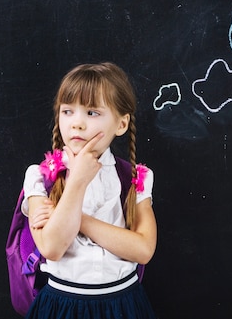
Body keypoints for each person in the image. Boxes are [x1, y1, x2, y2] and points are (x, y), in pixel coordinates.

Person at [21, 62, 157, 319]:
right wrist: (78, 180)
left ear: (121, 124)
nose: (77, 124)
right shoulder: (38, 177)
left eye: (92, 113)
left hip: (123, 304)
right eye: (68, 111)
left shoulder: (135, 177)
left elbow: (143, 250)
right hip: (63, 306)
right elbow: (52, 246)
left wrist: (77, 220)